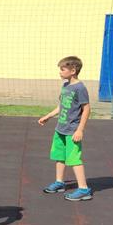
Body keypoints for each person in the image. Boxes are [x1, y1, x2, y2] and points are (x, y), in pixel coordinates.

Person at [38, 56, 92, 201]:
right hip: (60, 129)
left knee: (74, 159)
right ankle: (59, 182)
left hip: (72, 131)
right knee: (59, 156)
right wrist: (48, 116)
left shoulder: (80, 88)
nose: (60, 72)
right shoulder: (65, 86)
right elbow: (61, 106)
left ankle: (84, 189)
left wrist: (80, 130)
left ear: (73, 70)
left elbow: (86, 109)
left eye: (62, 69)